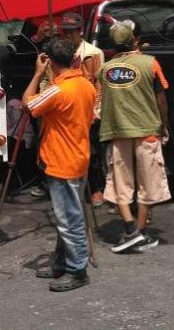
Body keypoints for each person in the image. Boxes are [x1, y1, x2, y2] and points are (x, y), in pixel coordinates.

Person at [23, 37, 96, 292]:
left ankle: (77, 271)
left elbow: (27, 104)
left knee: (69, 220)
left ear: (51, 62)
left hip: (62, 161)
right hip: (78, 157)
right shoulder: (86, 85)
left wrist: (37, 73)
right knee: (70, 216)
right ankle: (63, 262)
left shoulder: (58, 89)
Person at [98, 23, 171, 253]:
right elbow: (161, 98)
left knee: (120, 182)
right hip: (148, 131)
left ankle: (130, 229)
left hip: (118, 132)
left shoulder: (104, 69)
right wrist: (164, 125)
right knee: (147, 183)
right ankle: (138, 231)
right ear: (134, 41)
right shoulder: (150, 63)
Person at [60, 12, 107, 205]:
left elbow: (100, 84)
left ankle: (96, 189)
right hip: (67, 107)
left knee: (93, 151)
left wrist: (96, 111)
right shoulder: (61, 51)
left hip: (88, 108)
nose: (69, 36)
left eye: (73, 32)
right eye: (66, 32)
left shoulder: (93, 53)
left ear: (80, 31)